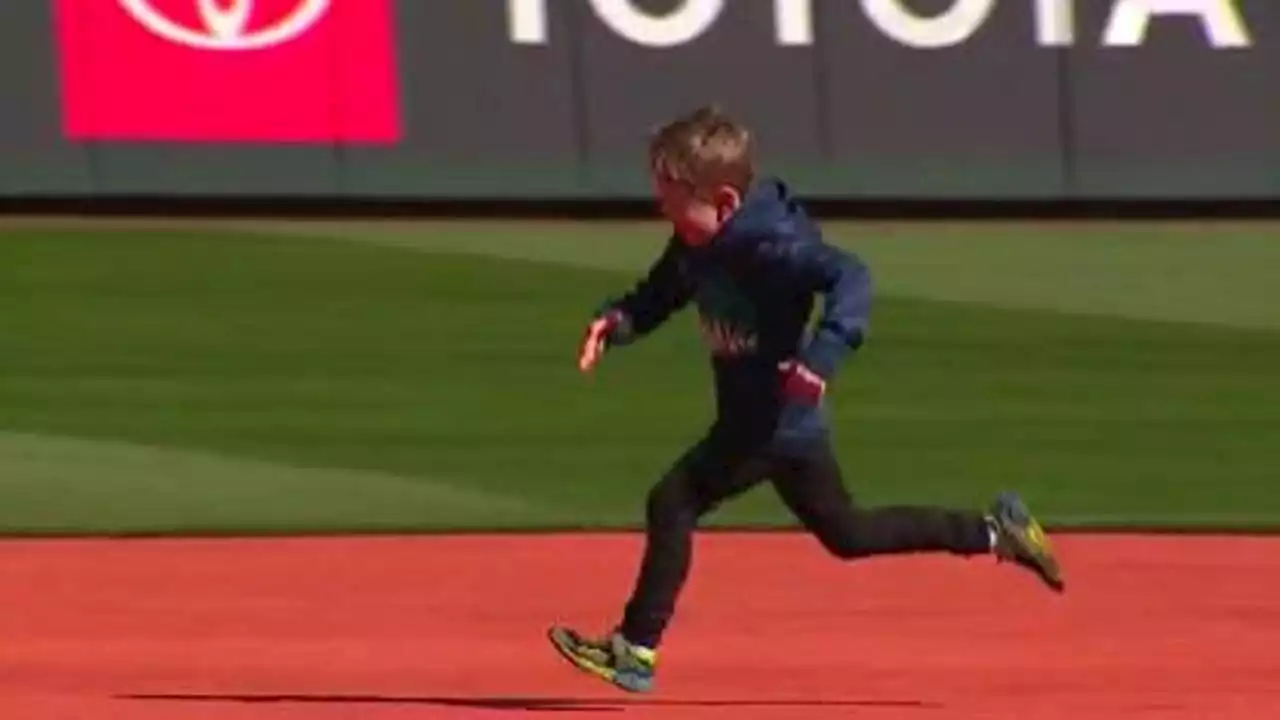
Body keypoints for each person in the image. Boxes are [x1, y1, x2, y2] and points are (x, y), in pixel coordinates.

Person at [547, 105, 1063, 694]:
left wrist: (822, 358)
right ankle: (997, 532)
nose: (659, 206)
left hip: (771, 421)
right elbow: (659, 294)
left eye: (669, 195)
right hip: (780, 427)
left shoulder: (774, 244)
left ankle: (635, 649)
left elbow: (852, 277)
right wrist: (613, 324)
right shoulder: (694, 243)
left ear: (723, 204)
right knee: (848, 534)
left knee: (673, 502)